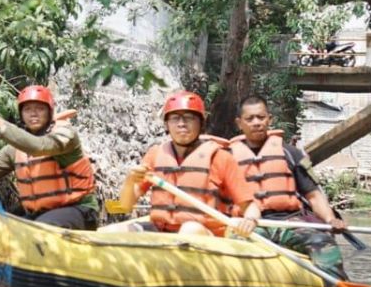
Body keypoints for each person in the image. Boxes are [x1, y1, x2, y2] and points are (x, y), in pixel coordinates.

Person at [231, 95, 368, 287]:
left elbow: (313, 195)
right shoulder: (227, 157)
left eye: (261, 117)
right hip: (252, 225)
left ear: (269, 119)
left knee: (323, 244)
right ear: (239, 123)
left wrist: (330, 219)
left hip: (290, 223)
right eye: (250, 118)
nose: (256, 122)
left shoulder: (290, 154)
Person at [101, 91, 261, 236]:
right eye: (175, 118)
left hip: (204, 233)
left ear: (201, 123)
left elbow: (251, 207)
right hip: (159, 230)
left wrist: (250, 220)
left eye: (189, 118)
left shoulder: (221, 158)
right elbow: (125, 206)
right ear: (167, 124)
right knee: (109, 231)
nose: (181, 124)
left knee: (189, 230)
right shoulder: (155, 154)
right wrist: (130, 182)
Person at [0, 86, 99, 229]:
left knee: (39, 228)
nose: (33, 113)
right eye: (28, 109)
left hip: (78, 209)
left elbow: (39, 146)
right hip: (37, 213)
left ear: (49, 112)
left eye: (39, 109)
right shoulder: (14, 150)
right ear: (21, 114)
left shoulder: (66, 135)